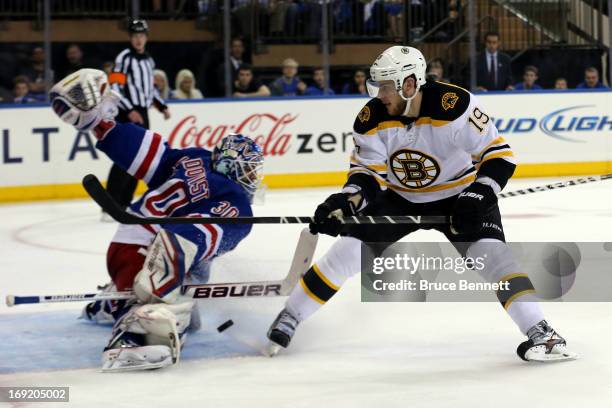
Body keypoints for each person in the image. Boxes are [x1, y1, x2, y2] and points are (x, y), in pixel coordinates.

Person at [266, 46, 576, 363]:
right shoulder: (371, 118)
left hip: (460, 197)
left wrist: (479, 194)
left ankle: (544, 334)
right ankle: (290, 316)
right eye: (378, 86)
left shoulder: (454, 105)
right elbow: (366, 175)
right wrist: (346, 203)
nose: (379, 94)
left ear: (410, 83)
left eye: (386, 86)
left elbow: (498, 157)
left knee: (494, 258)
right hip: (401, 198)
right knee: (345, 252)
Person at [49, 68, 264, 371]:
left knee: (191, 304)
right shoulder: (236, 200)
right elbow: (193, 236)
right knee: (178, 309)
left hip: (128, 244)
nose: (252, 178)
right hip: (146, 251)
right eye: (250, 170)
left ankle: (114, 300)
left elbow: (150, 154)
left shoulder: (196, 157)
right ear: (233, 166)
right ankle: (134, 333)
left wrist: (100, 124)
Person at [106, 19, 171, 217]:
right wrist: (129, 109)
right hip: (128, 112)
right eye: (135, 36)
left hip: (142, 112)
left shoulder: (149, 61)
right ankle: (110, 204)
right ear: (130, 38)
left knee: (139, 159)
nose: (138, 40)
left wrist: (162, 106)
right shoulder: (124, 58)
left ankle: (125, 202)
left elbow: (149, 89)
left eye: (141, 36)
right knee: (124, 157)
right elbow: (115, 86)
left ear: (146, 37)